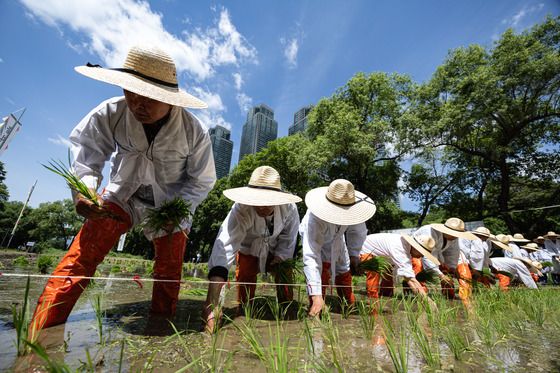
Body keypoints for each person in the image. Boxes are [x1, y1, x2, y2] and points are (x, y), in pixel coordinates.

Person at [30, 45, 216, 333]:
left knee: (168, 272)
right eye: (131, 92)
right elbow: (87, 153)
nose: (138, 103)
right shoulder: (111, 113)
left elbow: (202, 180)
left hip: (169, 206)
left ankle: (159, 329)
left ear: (170, 99)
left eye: (149, 97)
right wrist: (85, 190)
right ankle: (41, 330)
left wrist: (179, 210)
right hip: (122, 196)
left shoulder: (194, 132)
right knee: (82, 255)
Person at [203, 166, 301, 332]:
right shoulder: (241, 208)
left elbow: (289, 237)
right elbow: (225, 244)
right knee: (245, 286)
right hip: (248, 250)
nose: (261, 206)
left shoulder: (289, 208)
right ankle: (244, 309)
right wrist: (212, 302)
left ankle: (286, 310)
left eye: (267, 201)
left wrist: (281, 256)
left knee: (285, 279)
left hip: (276, 250)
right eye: (258, 201)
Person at [300, 179, 376, 317]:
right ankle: (316, 306)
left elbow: (357, 231)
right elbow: (311, 256)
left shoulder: (353, 210)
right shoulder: (314, 219)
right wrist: (316, 296)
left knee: (344, 271)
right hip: (318, 243)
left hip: (338, 240)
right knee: (321, 272)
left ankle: (348, 305)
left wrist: (354, 255)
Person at [412, 218, 478, 302]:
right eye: (454, 234)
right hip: (416, 253)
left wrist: (452, 269)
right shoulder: (429, 232)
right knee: (418, 268)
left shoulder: (454, 238)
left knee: (446, 271)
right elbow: (427, 256)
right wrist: (441, 275)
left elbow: (452, 253)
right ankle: (421, 298)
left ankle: (449, 297)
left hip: (435, 256)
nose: (455, 236)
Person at [359, 233, 439, 299]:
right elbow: (410, 279)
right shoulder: (400, 248)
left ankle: (386, 297)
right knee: (373, 278)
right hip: (367, 250)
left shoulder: (408, 249)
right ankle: (373, 303)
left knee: (388, 277)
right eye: (422, 253)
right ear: (416, 247)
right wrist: (426, 300)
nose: (421, 256)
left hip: (385, 255)